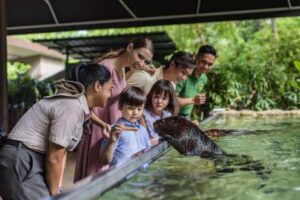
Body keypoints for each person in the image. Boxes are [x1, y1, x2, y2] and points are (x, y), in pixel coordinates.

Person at [0, 63, 113, 199]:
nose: (110, 94)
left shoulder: (77, 106)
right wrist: (55, 195)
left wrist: (58, 189)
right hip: (21, 160)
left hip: (27, 157)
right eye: (109, 89)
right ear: (97, 86)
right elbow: (54, 157)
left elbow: (61, 152)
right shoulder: (71, 106)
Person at [74, 37, 154, 181]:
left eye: (145, 61)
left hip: (112, 132)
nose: (141, 62)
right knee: (94, 180)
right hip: (98, 132)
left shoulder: (122, 69)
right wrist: (102, 125)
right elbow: (83, 103)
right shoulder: (105, 67)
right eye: (140, 56)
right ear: (130, 47)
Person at [99, 86, 151, 167]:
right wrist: (111, 142)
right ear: (120, 106)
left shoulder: (143, 130)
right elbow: (104, 160)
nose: (135, 113)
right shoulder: (114, 130)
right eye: (130, 108)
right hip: (121, 176)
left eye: (139, 109)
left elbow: (149, 153)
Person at [176, 45, 217, 126]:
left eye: (210, 64)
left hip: (186, 117)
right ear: (196, 58)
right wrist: (193, 100)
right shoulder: (185, 73)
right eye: (203, 62)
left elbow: (190, 104)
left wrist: (191, 119)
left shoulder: (204, 78)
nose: (206, 67)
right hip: (173, 116)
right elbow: (171, 101)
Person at [127, 51, 196, 94]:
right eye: (183, 72)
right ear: (172, 64)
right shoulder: (144, 77)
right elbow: (118, 99)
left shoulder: (172, 86)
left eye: (187, 75)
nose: (184, 78)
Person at [140, 80, 178, 145]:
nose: (159, 101)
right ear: (151, 96)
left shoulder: (168, 115)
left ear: (169, 100)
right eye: (156, 97)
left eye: (164, 98)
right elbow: (142, 140)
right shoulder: (143, 115)